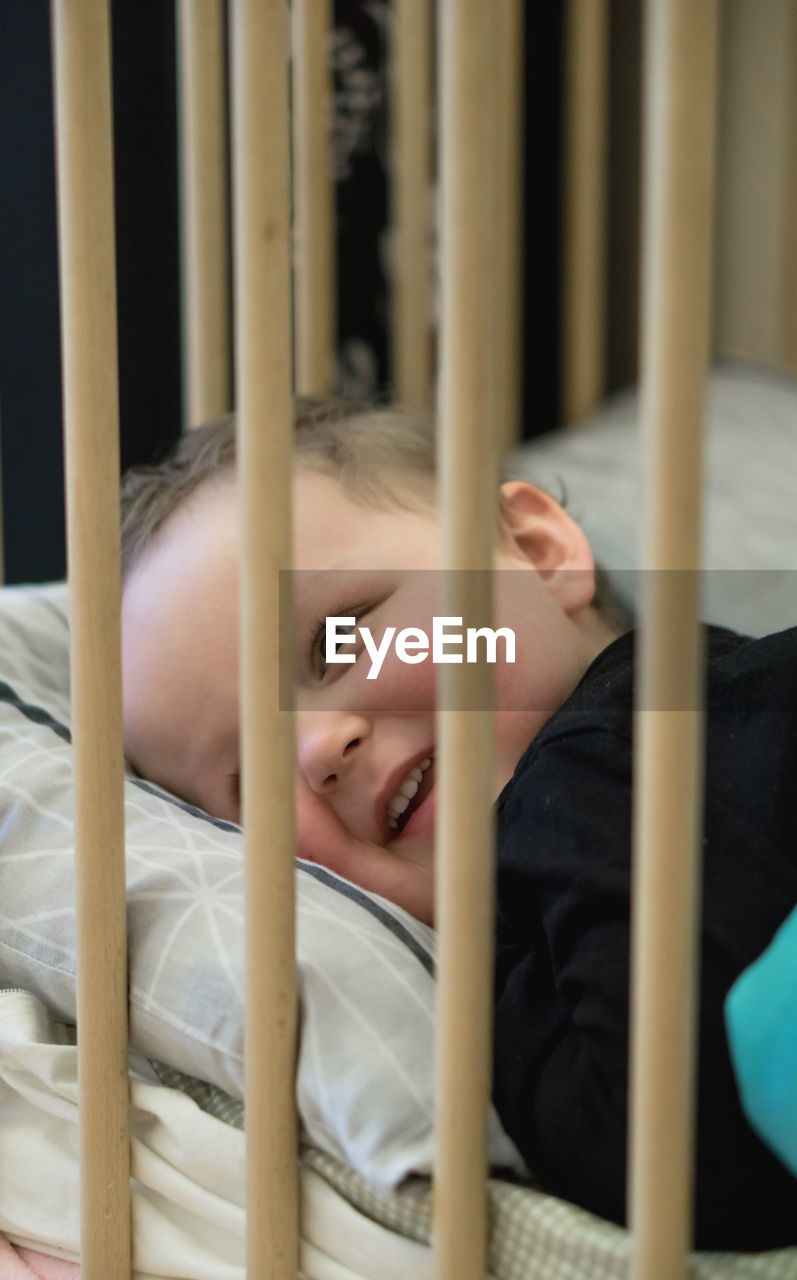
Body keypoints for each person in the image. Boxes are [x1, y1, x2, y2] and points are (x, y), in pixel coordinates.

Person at [120, 399, 797, 1251]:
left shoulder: (590, 759)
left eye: (339, 638)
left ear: (539, 555)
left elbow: (678, 1156)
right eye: (249, 777)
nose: (320, 747)